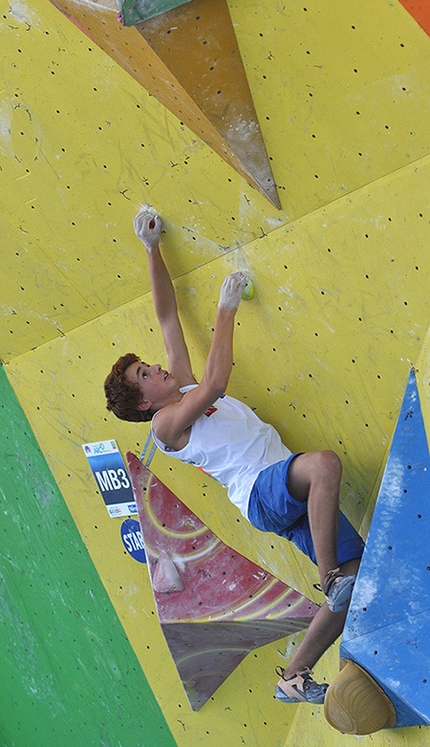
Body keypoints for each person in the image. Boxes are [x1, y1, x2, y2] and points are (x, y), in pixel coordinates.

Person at [104, 207, 365, 705]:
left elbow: (166, 315)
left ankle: (294, 675)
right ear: (143, 403)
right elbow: (217, 382)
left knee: (361, 577)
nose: (156, 366)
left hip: (284, 494)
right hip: (261, 490)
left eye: (147, 365)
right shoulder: (165, 426)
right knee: (325, 465)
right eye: (145, 375)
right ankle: (329, 578)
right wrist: (226, 311)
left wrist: (151, 249)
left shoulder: (177, 384)